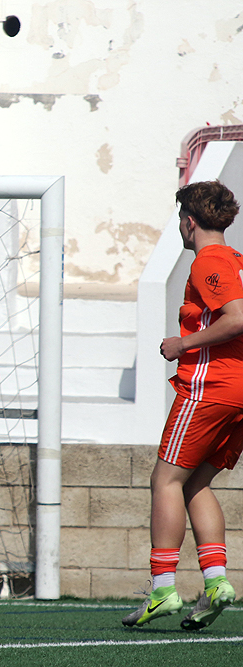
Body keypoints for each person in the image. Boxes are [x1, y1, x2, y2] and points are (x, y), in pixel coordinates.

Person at [121, 180, 241, 630]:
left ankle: (163, 588)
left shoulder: (210, 262)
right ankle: (216, 583)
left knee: (165, 480)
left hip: (212, 386)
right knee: (195, 484)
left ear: (189, 222)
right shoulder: (235, 260)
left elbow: (237, 317)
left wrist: (182, 343)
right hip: (238, 391)